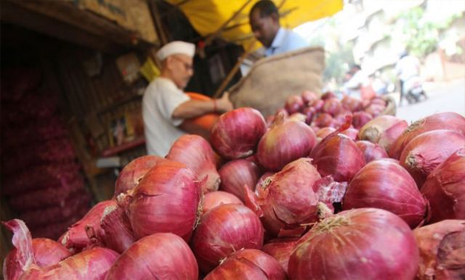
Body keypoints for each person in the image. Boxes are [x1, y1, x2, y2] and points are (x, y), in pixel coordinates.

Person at [142, 41, 233, 156]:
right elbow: (179, 110)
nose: (190, 73)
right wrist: (219, 104)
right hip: (168, 163)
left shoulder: (164, 88)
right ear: (170, 62)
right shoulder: (161, 85)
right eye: (187, 66)